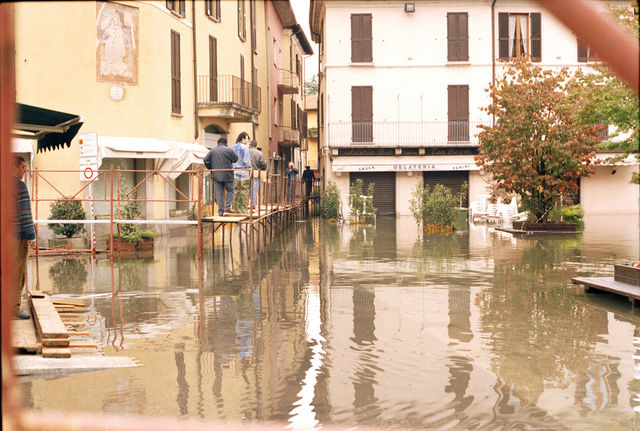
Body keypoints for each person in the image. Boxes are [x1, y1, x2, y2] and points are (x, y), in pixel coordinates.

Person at [13, 156, 35, 319]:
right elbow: (25, 213)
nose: (25, 171)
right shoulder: (19, 185)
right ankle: (13, 308)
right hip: (17, 235)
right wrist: (32, 236)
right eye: (23, 167)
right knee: (17, 272)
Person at [204, 137, 238, 216]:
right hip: (228, 174)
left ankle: (220, 211)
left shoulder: (212, 150)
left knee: (219, 193)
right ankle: (227, 207)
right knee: (231, 190)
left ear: (218, 142)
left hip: (216, 175)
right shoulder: (229, 150)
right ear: (226, 142)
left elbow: (205, 160)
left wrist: (210, 167)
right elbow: (235, 159)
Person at [232, 132, 252, 212]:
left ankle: (235, 209)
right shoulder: (245, 148)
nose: (247, 140)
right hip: (244, 171)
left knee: (236, 191)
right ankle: (243, 210)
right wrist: (249, 168)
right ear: (243, 138)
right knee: (244, 190)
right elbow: (246, 161)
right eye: (247, 138)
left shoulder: (233, 147)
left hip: (235, 170)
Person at [249, 140, 267, 205]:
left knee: (246, 189)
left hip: (246, 172)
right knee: (254, 189)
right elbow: (263, 163)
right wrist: (263, 169)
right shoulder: (259, 153)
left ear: (250, 145)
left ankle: (246, 204)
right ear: (256, 146)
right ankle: (253, 204)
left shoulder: (246, 152)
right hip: (255, 172)